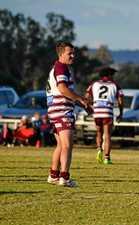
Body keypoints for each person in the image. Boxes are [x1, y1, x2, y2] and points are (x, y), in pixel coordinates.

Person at [46, 41, 89, 187]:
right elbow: (63, 89)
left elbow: (64, 92)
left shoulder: (58, 68)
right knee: (67, 145)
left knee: (60, 145)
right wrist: (79, 98)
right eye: (69, 53)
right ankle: (64, 177)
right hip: (61, 111)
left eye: (73, 53)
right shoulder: (61, 67)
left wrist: (80, 102)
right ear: (61, 54)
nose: (73, 56)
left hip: (55, 110)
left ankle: (53, 175)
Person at [85, 66, 124, 165]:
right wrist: (121, 113)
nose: (114, 77)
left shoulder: (94, 84)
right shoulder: (115, 85)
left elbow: (87, 97)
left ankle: (99, 150)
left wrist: (89, 107)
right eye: (113, 75)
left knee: (98, 132)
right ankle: (107, 158)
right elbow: (120, 101)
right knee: (107, 135)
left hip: (97, 111)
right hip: (107, 111)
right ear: (109, 75)